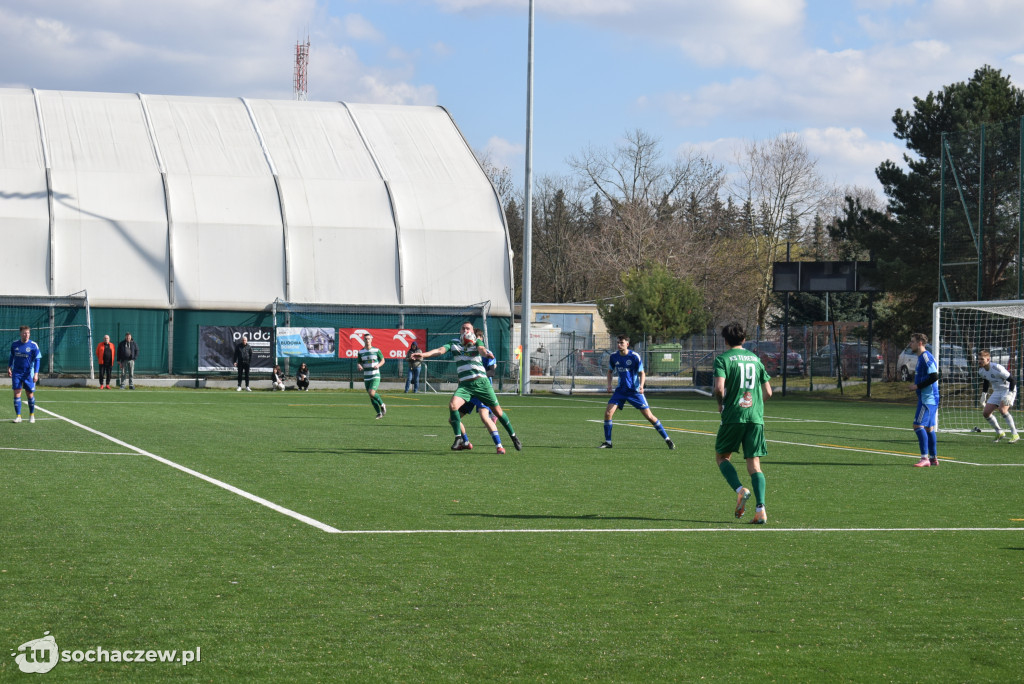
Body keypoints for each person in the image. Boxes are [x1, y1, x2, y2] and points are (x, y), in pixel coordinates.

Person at [412, 321, 521, 451]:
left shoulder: (476, 342)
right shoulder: (454, 343)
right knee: (453, 405)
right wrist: (423, 355)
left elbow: (481, 349)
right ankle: (459, 438)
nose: (465, 330)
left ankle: (513, 436)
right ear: (460, 331)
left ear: (472, 331)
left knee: (497, 412)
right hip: (465, 385)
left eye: (468, 328)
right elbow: (440, 351)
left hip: (481, 383)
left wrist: (486, 354)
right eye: (463, 328)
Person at [712, 323, 771, 524]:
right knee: (754, 464)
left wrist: (720, 404)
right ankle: (761, 510)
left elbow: (719, 388)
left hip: (734, 416)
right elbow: (768, 392)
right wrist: (755, 406)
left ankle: (740, 490)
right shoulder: (756, 359)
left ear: (725, 341)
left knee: (722, 457)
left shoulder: (722, 359)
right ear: (744, 340)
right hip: (755, 417)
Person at [598, 334, 675, 450]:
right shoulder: (613, 356)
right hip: (620, 391)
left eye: (621, 343)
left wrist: (641, 386)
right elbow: (609, 372)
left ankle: (667, 439)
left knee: (649, 416)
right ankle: (608, 442)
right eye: (618, 343)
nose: (619, 345)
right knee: (608, 413)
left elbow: (642, 373)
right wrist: (609, 385)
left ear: (627, 344)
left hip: (634, 392)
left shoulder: (634, 356)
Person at [455, 329, 506, 454]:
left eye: (478, 337)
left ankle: (499, 446)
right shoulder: (466, 352)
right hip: (469, 390)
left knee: (484, 417)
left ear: (481, 339)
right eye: (474, 336)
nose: (475, 339)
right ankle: (466, 442)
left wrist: (477, 376)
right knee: (453, 418)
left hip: (482, 390)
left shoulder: (486, 352)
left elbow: (492, 372)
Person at [909, 332, 940, 467]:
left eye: (912, 341)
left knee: (917, 425)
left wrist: (917, 386)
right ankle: (933, 458)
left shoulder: (926, 357)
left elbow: (934, 376)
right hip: (929, 398)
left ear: (920, 343)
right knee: (928, 428)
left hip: (928, 398)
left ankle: (924, 458)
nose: (910, 344)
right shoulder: (921, 357)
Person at [978, 348, 1019, 443]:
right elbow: (986, 381)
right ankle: (999, 432)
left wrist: (1010, 394)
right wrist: (984, 395)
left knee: (1003, 410)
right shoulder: (981, 371)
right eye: (978, 359)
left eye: (982, 359)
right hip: (997, 391)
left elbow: (1012, 380)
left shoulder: (997, 368)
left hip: (1008, 389)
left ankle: (1015, 434)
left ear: (988, 359)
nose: (979, 361)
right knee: (986, 413)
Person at [8, 325, 40, 424]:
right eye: (24, 333)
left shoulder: (33, 345)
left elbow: (38, 360)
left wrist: (36, 373)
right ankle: (18, 416)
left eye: (28, 333)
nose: (26, 335)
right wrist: (9, 367)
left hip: (28, 374)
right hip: (16, 373)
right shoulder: (14, 344)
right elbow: (12, 356)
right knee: (17, 393)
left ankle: (32, 415)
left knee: (29, 394)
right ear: (20, 334)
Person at [357, 333, 386, 418]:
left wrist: (378, 365)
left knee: (371, 392)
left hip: (375, 375)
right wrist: (359, 366)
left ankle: (382, 404)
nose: (367, 340)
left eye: (368, 339)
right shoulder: (361, 352)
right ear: (363, 340)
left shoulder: (376, 350)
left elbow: (383, 360)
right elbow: (359, 362)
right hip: (367, 376)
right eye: (365, 339)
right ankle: (379, 413)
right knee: (371, 396)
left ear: (371, 340)